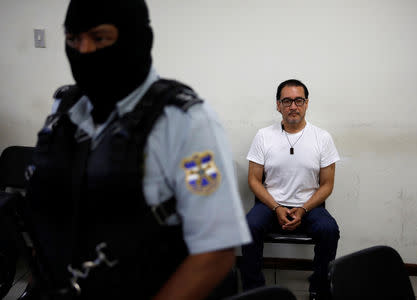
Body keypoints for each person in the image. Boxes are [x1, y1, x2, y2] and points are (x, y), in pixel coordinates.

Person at [21, 0, 251, 299]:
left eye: (100, 38)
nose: (84, 51)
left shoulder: (186, 122)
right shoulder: (66, 109)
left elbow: (216, 253)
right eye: (73, 39)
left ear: (137, 38)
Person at [240, 79, 340, 300]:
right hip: (270, 205)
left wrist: (303, 209)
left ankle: (319, 290)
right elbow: (254, 180)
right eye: (287, 101)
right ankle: (253, 291)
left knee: (329, 230)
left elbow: (327, 185)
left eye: (298, 100)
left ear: (306, 104)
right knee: (248, 227)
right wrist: (276, 207)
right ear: (278, 105)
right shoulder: (263, 136)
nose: (293, 106)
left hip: (310, 206)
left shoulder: (322, 138)